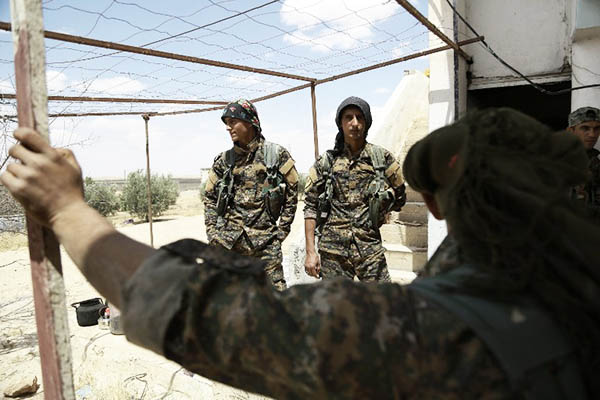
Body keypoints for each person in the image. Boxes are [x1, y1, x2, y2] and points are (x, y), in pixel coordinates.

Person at [3, 108, 599, 399]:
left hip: (305, 250)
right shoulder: (574, 278)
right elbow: (298, 200)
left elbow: (216, 320)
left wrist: (65, 210)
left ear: (439, 205)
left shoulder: (425, 331)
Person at [303, 96, 406, 282]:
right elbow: (310, 206)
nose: (354, 123)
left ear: (366, 123)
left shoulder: (381, 159)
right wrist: (310, 252)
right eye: (348, 117)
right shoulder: (326, 162)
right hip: (333, 252)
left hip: (369, 249)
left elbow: (400, 196)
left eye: (360, 117)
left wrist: (381, 209)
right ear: (340, 124)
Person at [203, 99, 298, 290]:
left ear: (250, 122)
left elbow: (292, 193)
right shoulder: (225, 161)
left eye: (233, 122)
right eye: (227, 124)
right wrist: (213, 234)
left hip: (266, 247)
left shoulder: (276, 155)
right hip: (230, 245)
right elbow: (209, 198)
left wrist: (282, 231)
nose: (229, 128)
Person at [567, 106, 600, 219]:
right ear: (571, 131)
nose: (592, 134)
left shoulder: (595, 163)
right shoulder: (556, 160)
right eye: (585, 128)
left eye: (596, 129)